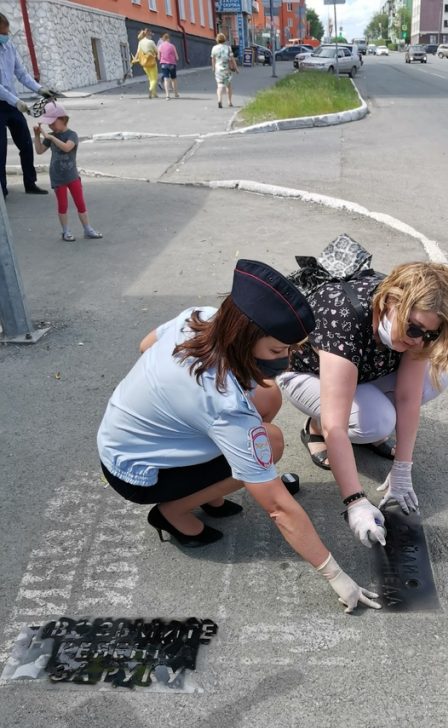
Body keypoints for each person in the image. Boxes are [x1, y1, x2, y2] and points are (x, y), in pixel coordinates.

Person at [97, 259, 380, 614]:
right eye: (278, 351)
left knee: (267, 393)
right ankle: (173, 511)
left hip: (122, 437)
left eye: (292, 349)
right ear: (243, 336)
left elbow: (145, 345)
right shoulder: (226, 406)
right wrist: (337, 576)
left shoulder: (200, 317)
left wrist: (169, 401)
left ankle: (210, 496)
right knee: (271, 443)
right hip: (137, 474)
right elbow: (278, 508)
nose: (289, 360)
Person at [278, 257, 448, 549]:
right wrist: (356, 502)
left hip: (363, 367)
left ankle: (366, 426)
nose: (419, 340)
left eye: (430, 333)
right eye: (414, 329)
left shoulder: (414, 326)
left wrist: (403, 469)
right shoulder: (344, 317)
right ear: (391, 300)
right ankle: (313, 428)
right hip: (308, 374)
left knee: (434, 379)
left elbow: (408, 396)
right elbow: (336, 427)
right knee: (373, 423)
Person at [32, 100, 101, 242]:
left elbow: (67, 148)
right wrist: (37, 136)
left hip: (72, 176)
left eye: (53, 122)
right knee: (62, 205)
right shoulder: (51, 136)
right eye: (49, 124)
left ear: (63, 119)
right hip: (58, 177)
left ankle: (87, 228)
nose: (51, 126)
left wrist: (51, 137)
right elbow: (39, 151)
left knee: (80, 203)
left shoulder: (72, 135)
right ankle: (65, 231)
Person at [0, 12, 50, 198]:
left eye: (6, 32)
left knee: (26, 144)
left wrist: (40, 90)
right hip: (4, 103)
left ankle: (30, 183)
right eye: (3, 32)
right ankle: (2, 191)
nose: (6, 35)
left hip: (12, 103)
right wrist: (18, 101)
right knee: (1, 149)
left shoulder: (9, 47)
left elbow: (21, 74)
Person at [211, 32, 235, 109]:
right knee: (228, 85)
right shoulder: (228, 48)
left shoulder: (214, 48)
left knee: (219, 85)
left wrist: (213, 68)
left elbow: (213, 59)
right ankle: (229, 102)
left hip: (218, 69)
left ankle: (219, 100)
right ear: (224, 39)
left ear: (217, 40)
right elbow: (232, 58)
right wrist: (236, 68)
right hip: (226, 69)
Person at [132, 29, 158, 99]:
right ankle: (150, 89)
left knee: (150, 78)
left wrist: (134, 60)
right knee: (154, 79)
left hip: (144, 62)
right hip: (152, 62)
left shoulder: (140, 42)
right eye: (151, 35)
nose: (152, 36)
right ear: (148, 34)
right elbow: (157, 51)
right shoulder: (151, 42)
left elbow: (137, 52)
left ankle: (154, 93)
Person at [157, 32, 180, 100]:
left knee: (166, 79)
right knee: (173, 79)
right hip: (172, 64)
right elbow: (177, 57)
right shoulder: (172, 46)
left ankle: (167, 95)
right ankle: (176, 93)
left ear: (163, 39)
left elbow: (158, 57)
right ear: (168, 39)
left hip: (164, 65)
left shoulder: (160, 46)